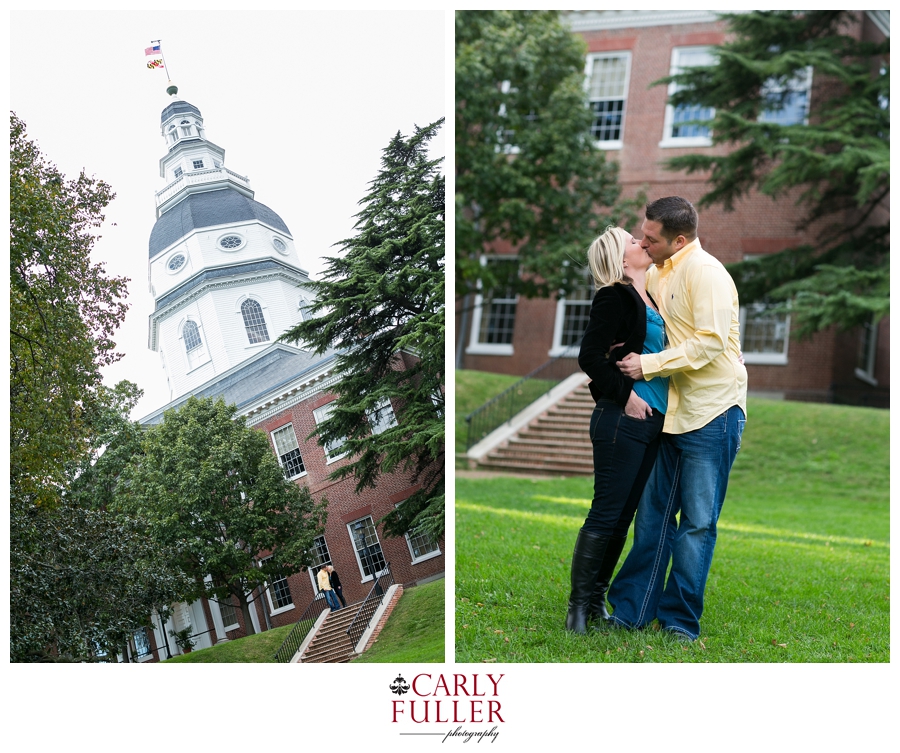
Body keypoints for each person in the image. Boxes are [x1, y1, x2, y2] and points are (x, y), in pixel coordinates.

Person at [611, 196, 747, 641]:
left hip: (713, 411)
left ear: (680, 239)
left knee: (697, 522)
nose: (644, 242)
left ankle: (679, 621)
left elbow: (708, 344)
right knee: (652, 517)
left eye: (651, 238)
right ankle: (630, 611)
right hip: (672, 412)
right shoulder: (658, 270)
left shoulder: (706, 273)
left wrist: (646, 367)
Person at [566, 225, 669, 635]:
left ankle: (596, 600)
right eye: (631, 240)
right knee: (605, 513)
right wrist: (626, 395)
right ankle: (578, 608)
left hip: (654, 422)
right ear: (621, 259)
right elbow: (589, 356)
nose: (640, 242)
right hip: (621, 419)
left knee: (624, 517)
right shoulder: (613, 296)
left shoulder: (655, 298)